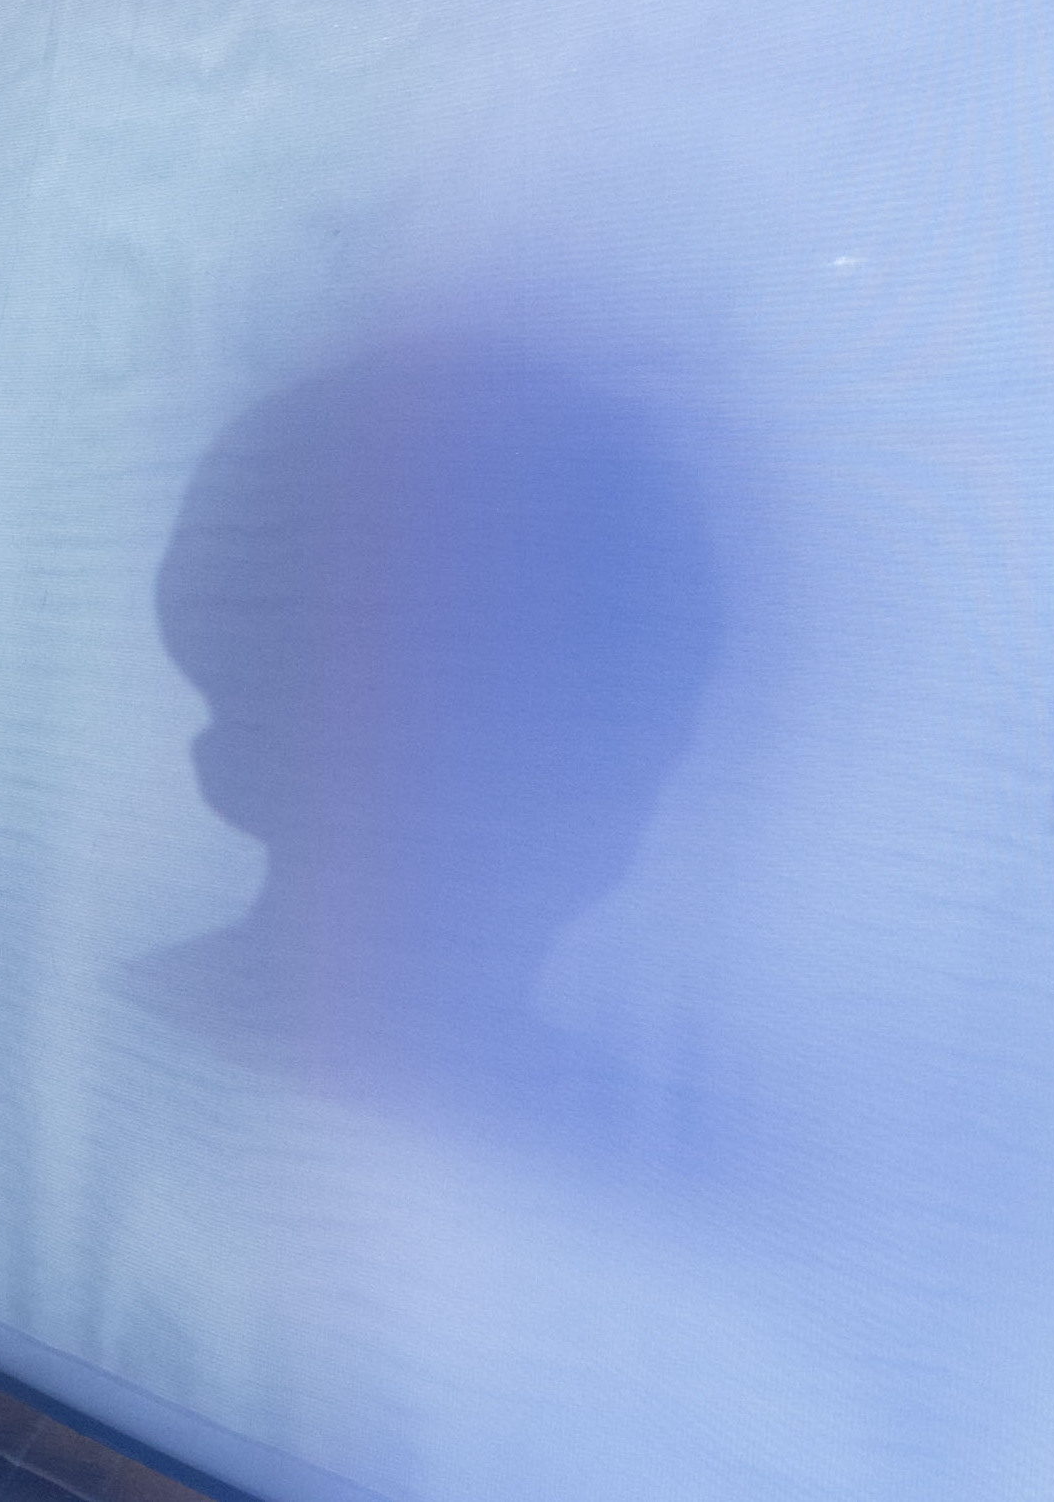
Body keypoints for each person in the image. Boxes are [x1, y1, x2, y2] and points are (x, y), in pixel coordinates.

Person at [138, 339, 721, 1136]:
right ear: (240, 759)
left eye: (609, 733)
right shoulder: (100, 1081)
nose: (544, 806)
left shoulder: (628, 1144)